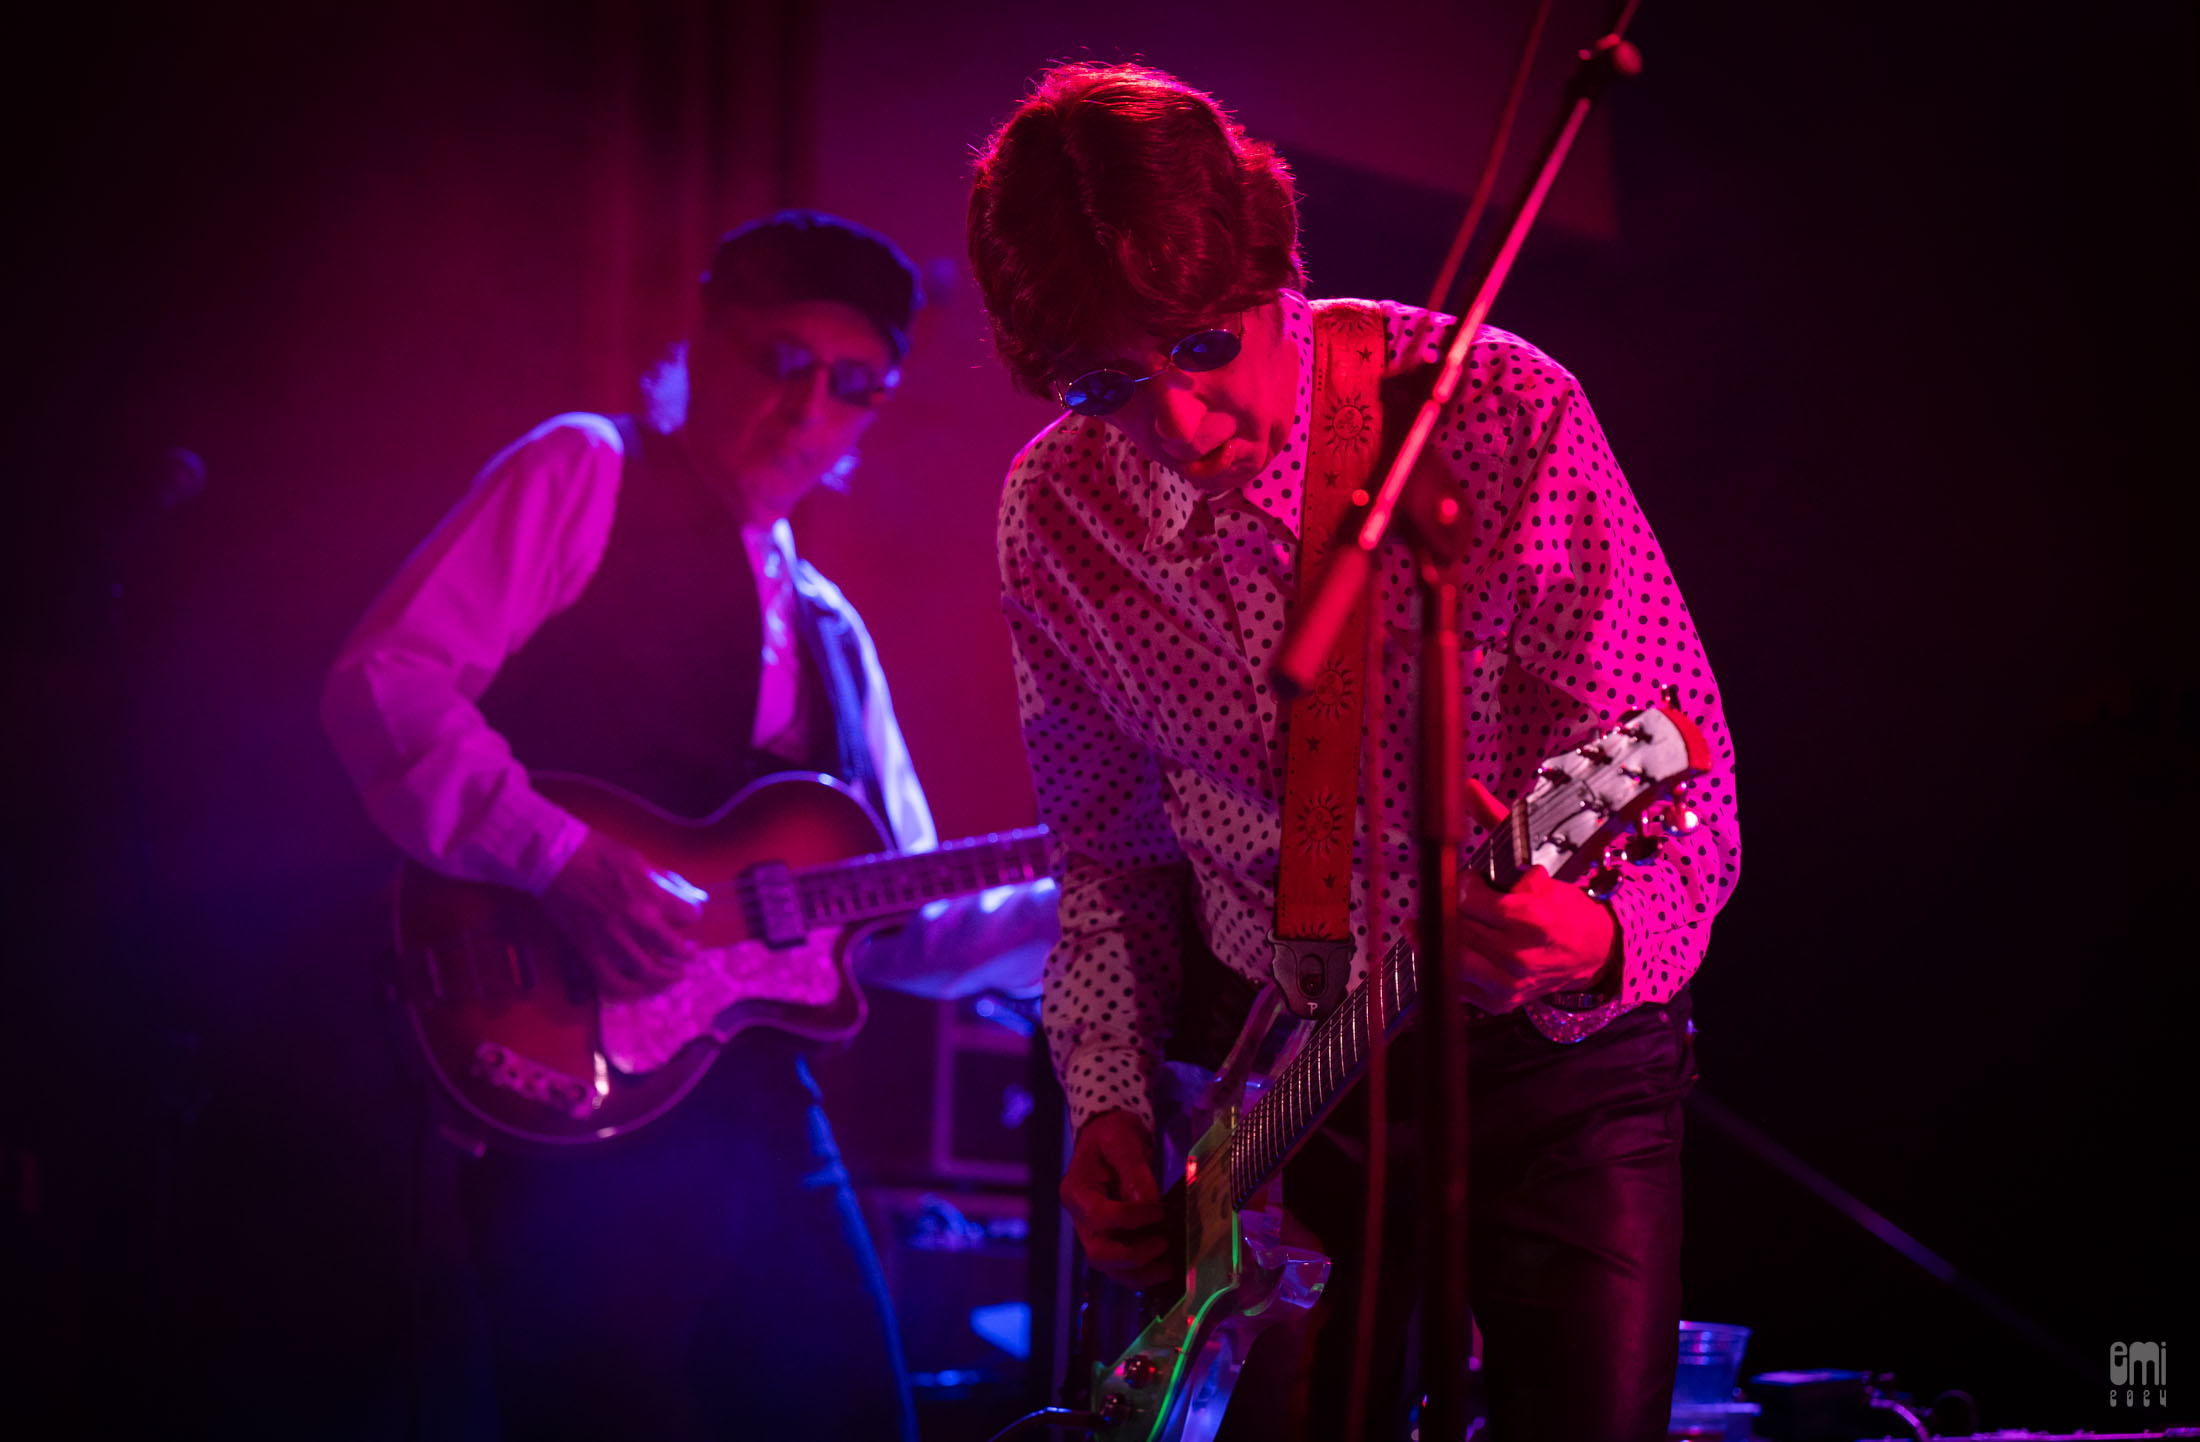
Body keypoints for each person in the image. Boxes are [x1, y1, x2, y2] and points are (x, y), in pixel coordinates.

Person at [968, 64, 1742, 1442]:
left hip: (1547, 1067)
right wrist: (1104, 1102)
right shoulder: (1056, 511)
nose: (1180, 426)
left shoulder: (1499, 414)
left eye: (1203, 348)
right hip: (1277, 1096)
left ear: (1278, 260)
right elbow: (1107, 864)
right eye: (1108, 386)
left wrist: (1600, 940)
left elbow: (1693, 776)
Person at [322, 211, 1010, 1441]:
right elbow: (388, 684)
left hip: (755, 1097)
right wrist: (560, 857)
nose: (809, 411)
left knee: (857, 1412)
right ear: (702, 339)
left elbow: (901, 917)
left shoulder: (833, 631)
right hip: (552, 1054)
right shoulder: (588, 469)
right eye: (780, 360)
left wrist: (1087, 887)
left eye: (853, 387)